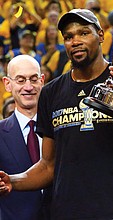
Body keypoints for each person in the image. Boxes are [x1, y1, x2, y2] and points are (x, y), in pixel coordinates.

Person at [0, 9, 113, 219]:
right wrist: (13, 181)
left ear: (101, 35)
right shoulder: (50, 93)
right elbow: (48, 165)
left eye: (83, 33)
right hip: (66, 214)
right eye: (69, 37)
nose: (76, 41)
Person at [0, 55, 45, 220]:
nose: (28, 87)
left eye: (33, 79)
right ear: (7, 84)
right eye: (20, 80)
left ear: (42, 81)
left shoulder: (60, 128)